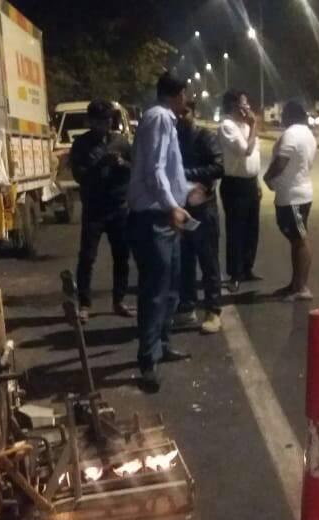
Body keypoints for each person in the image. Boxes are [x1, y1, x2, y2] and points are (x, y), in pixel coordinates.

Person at [126, 74, 205, 392]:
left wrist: (186, 191)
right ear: (178, 94)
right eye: (186, 94)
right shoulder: (159, 117)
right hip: (153, 219)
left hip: (165, 217)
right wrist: (173, 206)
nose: (187, 99)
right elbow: (155, 170)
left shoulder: (163, 119)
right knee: (155, 291)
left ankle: (163, 344)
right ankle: (147, 360)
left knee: (171, 287)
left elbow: (167, 172)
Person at [70, 99, 135, 323]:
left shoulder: (121, 142)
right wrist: (100, 164)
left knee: (122, 256)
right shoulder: (81, 145)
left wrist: (121, 164)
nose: (104, 125)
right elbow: (79, 176)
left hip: (119, 207)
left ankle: (119, 300)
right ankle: (85, 304)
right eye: (99, 121)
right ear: (91, 121)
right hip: (94, 209)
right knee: (87, 257)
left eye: (107, 120)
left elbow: (134, 169)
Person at [175, 100, 225, 334]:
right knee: (184, 260)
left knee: (208, 260)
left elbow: (218, 167)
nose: (181, 116)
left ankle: (213, 310)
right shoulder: (173, 136)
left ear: (194, 113)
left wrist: (186, 175)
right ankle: (187, 306)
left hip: (203, 207)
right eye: (178, 112)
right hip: (181, 207)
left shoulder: (204, 137)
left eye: (186, 112)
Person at [264, 102, 317, 302]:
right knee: (296, 240)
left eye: (283, 114)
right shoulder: (307, 134)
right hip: (298, 194)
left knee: (300, 239)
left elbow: (281, 161)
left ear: (289, 115)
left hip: (293, 198)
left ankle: (301, 287)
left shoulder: (292, 134)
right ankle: (295, 284)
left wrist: (268, 178)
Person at [217, 90, 262, 293]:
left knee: (252, 229)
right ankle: (234, 274)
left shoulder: (245, 125)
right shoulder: (227, 127)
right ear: (233, 106)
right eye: (243, 104)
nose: (248, 108)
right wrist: (254, 127)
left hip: (250, 182)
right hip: (234, 184)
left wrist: (257, 182)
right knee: (236, 230)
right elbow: (246, 151)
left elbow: (255, 157)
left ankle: (247, 268)